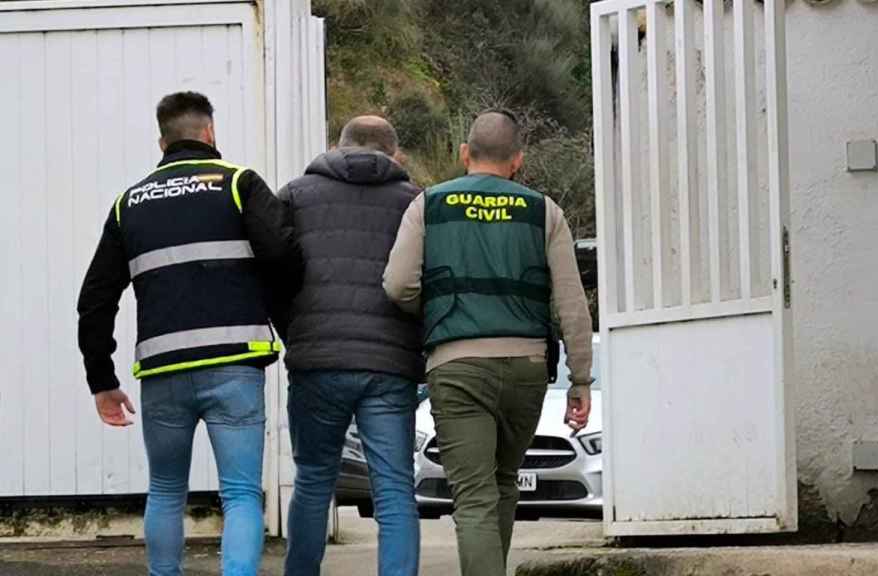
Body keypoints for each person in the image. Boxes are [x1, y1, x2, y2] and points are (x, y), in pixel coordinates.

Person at [77, 91, 303, 576]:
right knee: (241, 493)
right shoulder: (240, 184)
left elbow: (94, 299)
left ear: (162, 140)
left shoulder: (129, 204)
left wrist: (102, 380)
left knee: (165, 491)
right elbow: (284, 258)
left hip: (163, 374)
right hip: (234, 365)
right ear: (210, 133)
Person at [383, 110, 594, 576]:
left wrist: (443, 310)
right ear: (517, 160)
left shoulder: (429, 204)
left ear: (464, 153)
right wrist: (580, 377)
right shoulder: (544, 211)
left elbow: (398, 285)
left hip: (458, 366)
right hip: (526, 367)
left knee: (474, 497)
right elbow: (571, 302)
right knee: (502, 484)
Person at [278, 116, 423, 576]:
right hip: (389, 365)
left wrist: (295, 332)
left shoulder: (296, 195)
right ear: (395, 155)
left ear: (336, 147)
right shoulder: (416, 202)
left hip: (316, 362)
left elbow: (272, 276)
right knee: (394, 487)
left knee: (315, 478)